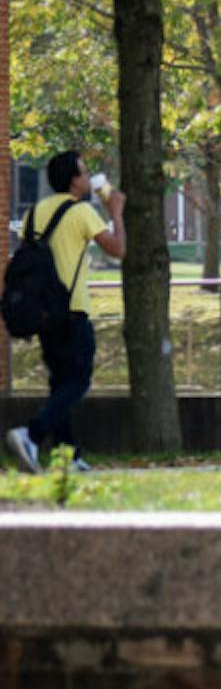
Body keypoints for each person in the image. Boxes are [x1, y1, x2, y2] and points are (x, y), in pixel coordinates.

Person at [4, 151, 125, 475]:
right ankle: (31, 434)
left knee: (61, 383)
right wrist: (115, 210)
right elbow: (117, 249)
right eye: (84, 173)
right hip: (72, 311)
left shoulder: (34, 213)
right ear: (74, 180)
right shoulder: (81, 211)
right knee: (79, 380)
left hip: (44, 314)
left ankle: (68, 457)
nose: (88, 179)